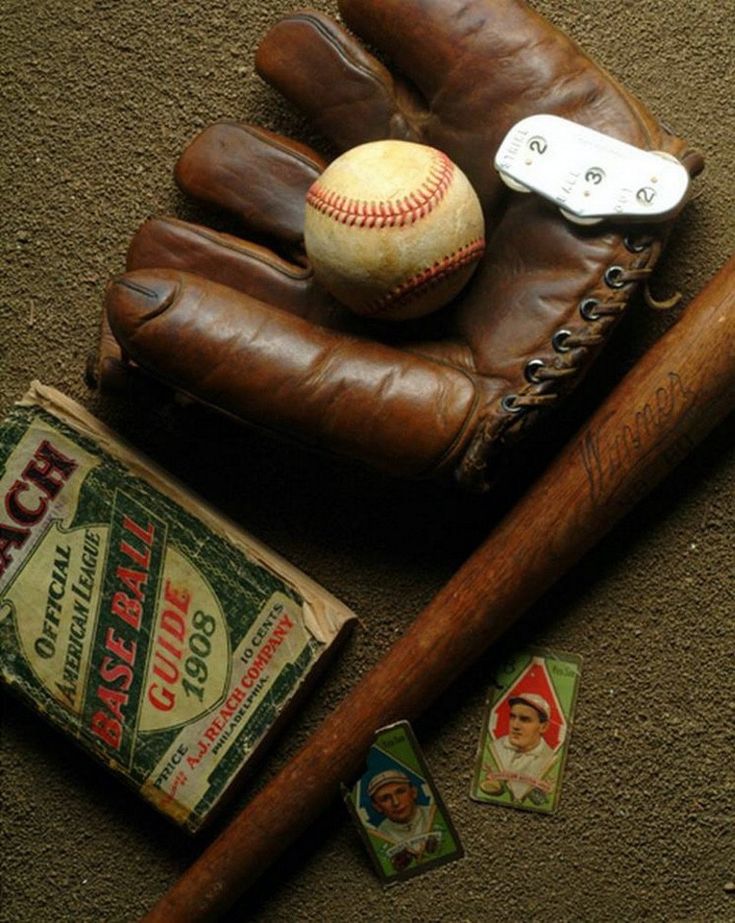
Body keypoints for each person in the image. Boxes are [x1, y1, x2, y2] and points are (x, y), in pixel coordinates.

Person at [490, 692, 556, 801]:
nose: (515, 726)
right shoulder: (495, 748)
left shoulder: (549, 758)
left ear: (543, 727)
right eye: (512, 717)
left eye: (525, 719)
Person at [367, 769, 440, 869]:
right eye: (385, 798)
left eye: (400, 792)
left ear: (413, 792)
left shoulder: (435, 815)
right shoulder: (379, 836)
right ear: (377, 807)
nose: (396, 802)